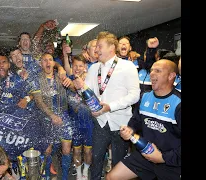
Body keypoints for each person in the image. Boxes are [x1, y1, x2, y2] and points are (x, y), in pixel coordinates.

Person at [73, 31, 140, 179]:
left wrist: (111, 106)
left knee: (118, 164)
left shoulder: (127, 66)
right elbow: (87, 94)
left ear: (111, 48)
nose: (96, 50)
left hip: (121, 125)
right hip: (100, 123)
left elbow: (135, 95)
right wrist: (80, 87)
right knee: (96, 160)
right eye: (96, 47)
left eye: (99, 46)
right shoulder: (93, 68)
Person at [106, 59, 181, 180]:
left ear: (171, 76)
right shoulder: (145, 96)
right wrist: (129, 129)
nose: (152, 74)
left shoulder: (178, 103)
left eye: (158, 71)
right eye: (151, 70)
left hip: (171, 162)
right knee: (112, 177)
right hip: (145, 154)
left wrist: (162, 158)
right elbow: (136, 121)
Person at [38, 53, 73, 180]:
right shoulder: (37, 79)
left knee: (67, 150)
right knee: (47, 151)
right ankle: (47, 175)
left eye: (50, 60)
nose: (47, 62)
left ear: (54, 63)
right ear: (41, 64)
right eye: (44, 60)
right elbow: (39, 102)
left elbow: (75, 89)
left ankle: (64, 177)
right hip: (46, 118)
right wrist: (52, 116)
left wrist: (70, 82)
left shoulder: (61, 76)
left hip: (64, 116)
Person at [67, 54, 94, 180]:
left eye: (80, 66)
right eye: (75, 66)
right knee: (76, 151)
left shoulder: (90, 82)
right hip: (75, 124)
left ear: (85, 67)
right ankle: (78, 174)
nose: (77, 68)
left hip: (89, 124)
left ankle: (86, 172)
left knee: (88, 151)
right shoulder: (67, 81)